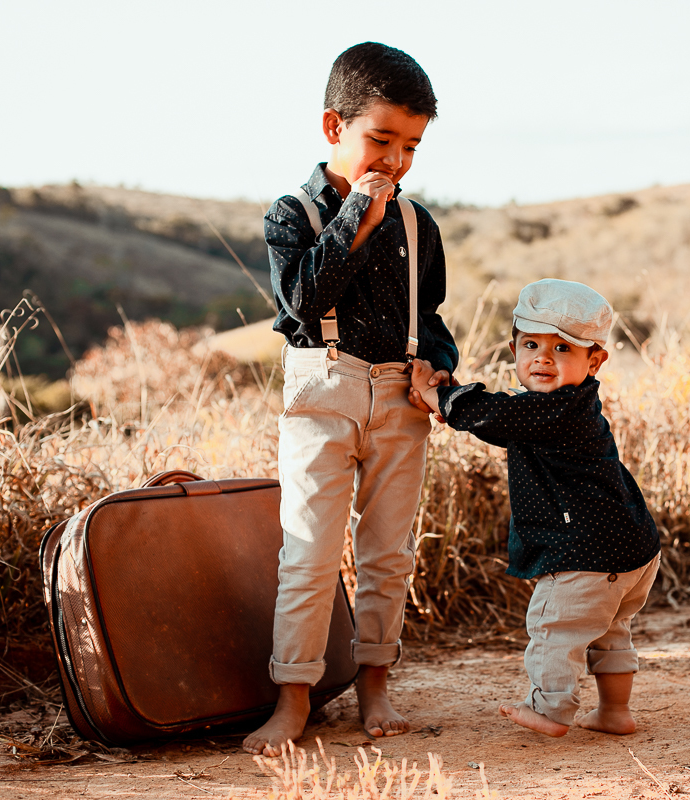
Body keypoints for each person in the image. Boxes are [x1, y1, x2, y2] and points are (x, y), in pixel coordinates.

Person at [243, 42, 457, 757]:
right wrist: (354, 222)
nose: (394, 161)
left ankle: (374, 683)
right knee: (307, 552)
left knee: (387, 553)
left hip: (399, 397)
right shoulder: (291, 214)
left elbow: (430, 321)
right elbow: (304, 303)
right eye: (381, 140)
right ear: (334, 127)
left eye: (411, 146)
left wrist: (440, 369)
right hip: (322, 393)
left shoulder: (420, 225)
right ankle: (294, 696)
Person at [410, 279, 661, 737]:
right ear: (513, 348)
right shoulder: (575, 405)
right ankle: (614, 711)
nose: (544, 358)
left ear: (595, 360)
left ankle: (550, 710)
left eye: (563, 348)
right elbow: (504, 414)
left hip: (583, 554)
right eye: (532, 344)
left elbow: (497, 416)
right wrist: (455, 400)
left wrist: (438, 398)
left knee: (554, 628)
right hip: (632, 550)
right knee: (609, 627)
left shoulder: (554, 408)